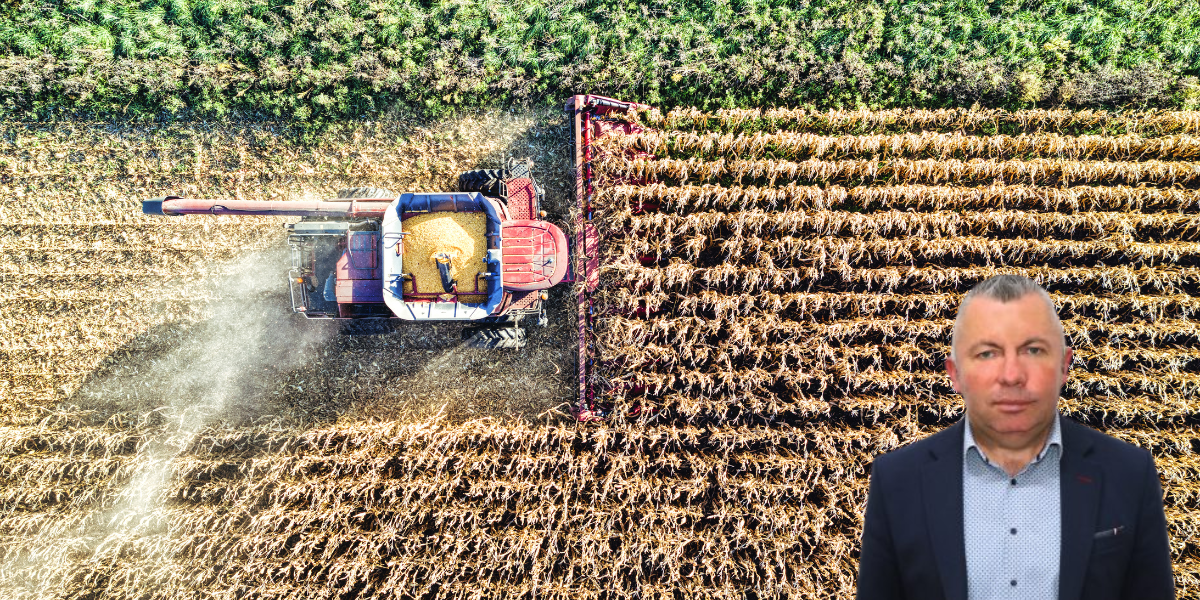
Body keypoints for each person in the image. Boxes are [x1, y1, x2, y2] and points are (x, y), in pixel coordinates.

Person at [855, 275, 1174, 600]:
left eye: (1033, 350)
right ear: (955, 375)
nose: (1012, 376)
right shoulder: (897, 482)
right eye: (987, 354)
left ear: (1065, 367)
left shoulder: (1130, 474)